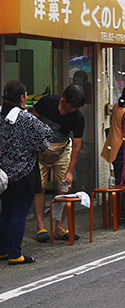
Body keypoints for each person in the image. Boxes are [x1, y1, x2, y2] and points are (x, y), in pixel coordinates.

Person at [0, 81, 52, 265]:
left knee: (6, 211)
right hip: (24, 172)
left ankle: (3, 250)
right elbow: (45, 138)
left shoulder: (1, 115)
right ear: (22, 98)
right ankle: (15, 254)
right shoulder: (25, 118)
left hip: (4, 173)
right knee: (19, 214)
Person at [33, 84, 85, 242]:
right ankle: (41, 227)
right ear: (63, 99)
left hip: (62, 151)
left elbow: (77, 146)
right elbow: (31, 121)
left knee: (65, 189)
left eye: (77, 107)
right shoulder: (47, 103)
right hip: (40, 150)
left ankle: (59, 228)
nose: (74, 110)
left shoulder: (77, 117)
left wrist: (70, 171)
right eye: (72, 106)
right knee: (39, 188)